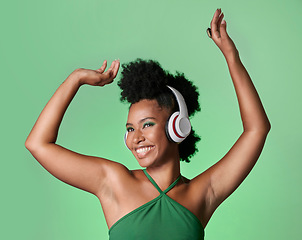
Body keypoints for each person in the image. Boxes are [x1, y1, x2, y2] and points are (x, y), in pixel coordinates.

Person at [25, 9, 270, 240]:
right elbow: (38, 144)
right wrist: (75, 78)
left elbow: (257, 129)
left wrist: (232, 57)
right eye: (130, 129)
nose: (135, 138)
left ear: (177, 126)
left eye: (147, 125)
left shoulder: (203, 193)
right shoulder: (112, 181)